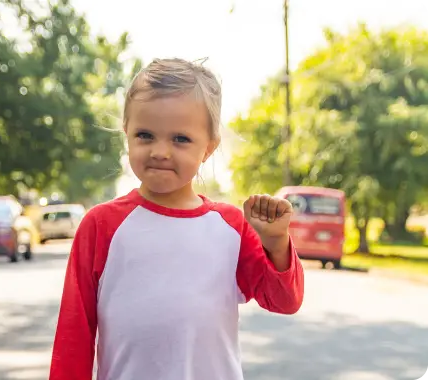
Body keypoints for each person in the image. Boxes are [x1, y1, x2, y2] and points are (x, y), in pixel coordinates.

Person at [49, 58, 305, 380]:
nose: (160, 151)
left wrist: (276, 243)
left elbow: (285, 300)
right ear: (126, 133)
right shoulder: (101, 225)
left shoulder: (230, 227)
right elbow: (74, 333)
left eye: (180, 139)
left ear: (208, 148)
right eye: (145, 135)